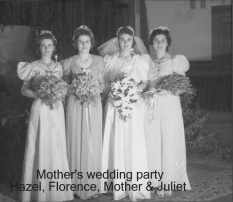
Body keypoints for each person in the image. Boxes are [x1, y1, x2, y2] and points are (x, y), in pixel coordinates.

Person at [17, 30, 74, 202]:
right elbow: (24, 90)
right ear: (39, 48)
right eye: (43, 45)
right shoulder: (32, 66)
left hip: (56, 109)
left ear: (54, 48)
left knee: (56, 144)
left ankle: (57, 191)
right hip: (40, 108)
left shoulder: (58, 66)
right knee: (39, 143)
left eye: (49, 45)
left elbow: (63, 88)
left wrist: (61, 91)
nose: (46, 48)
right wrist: (39, 94)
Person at [98, 26, 151, 201]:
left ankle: (134, 182)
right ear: (118, 40)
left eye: (129, 39)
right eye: (122, 39)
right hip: (115, 104)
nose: (125, 42)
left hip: (133, 103)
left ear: (133, 41)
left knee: (132, 140)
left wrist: (133, 89)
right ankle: (116, 183)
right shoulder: (109, 60)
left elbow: (145, 83)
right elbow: (105, 85)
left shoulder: (140, 60)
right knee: (115, 139)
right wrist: (116, 89)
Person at [146, 26, 191, 196]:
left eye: (162, 40)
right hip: (152, 105)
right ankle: (154, 179)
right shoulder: (147, 62)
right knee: (153, 140)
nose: (159, 43)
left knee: (169, 139)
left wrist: (168, 90)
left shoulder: (175, 61)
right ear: (152, 43)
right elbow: (147, 84)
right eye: (156, 40)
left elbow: (182, 86)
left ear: (167, 43)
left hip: (169, 105)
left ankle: (169, 180)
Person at [63, 25, 104, 200]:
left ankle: (92, 186)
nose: (84, 45)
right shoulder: (68, 62)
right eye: (80, 42)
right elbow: (63, 86)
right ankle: (74, 186)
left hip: (93, 104)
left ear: (91, 43)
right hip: (75, 104)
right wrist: (76, 88)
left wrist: (94, 89)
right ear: (76, 43)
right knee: (75, 138)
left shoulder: (99, 61)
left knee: (92, 140)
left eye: (87, 42)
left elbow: (103, 85)